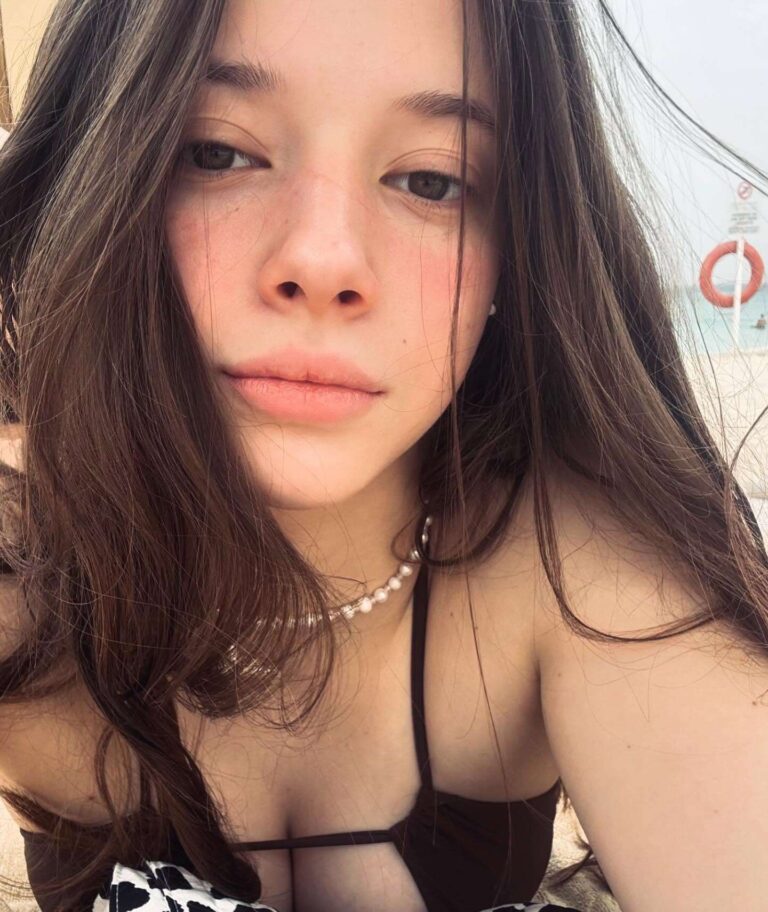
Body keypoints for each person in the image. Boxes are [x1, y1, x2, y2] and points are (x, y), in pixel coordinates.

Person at [0, 0, 766, 911]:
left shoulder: (575, 560)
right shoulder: (26, 578)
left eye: (431, 180)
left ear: (516, 246)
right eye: (217, 152)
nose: (325, 262)